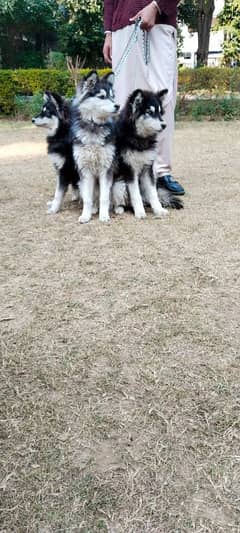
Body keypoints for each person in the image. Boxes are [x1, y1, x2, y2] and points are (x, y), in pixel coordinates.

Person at [103, 0, 185, 195]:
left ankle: (160, 171)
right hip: (121, 26)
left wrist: (156, 6)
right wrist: (108, 33)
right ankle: (124, 171)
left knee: (162, 98)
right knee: (122, 100)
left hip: (158, 23)